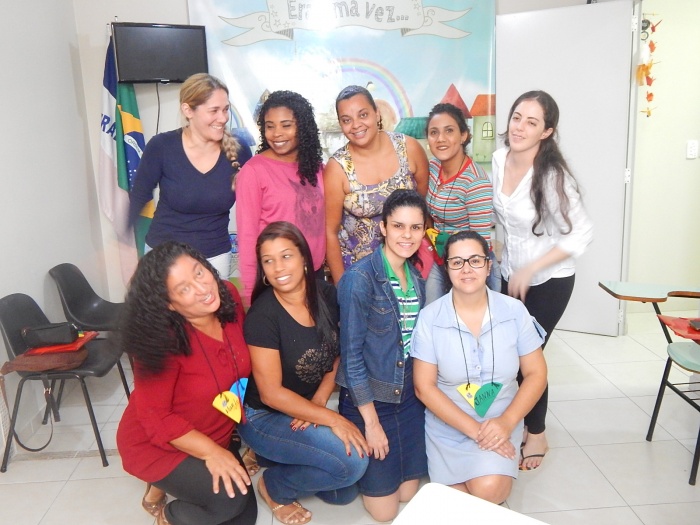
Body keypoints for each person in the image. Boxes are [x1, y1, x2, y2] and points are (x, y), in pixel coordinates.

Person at [116, 241, 257, 525]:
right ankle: (168, 516)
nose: (203, 289)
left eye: (199, 272)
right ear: (169, 303)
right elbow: (156, 418)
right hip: (157, 443)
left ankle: (168, 488)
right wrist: (212, 452)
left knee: (242, 519)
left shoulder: (227, 296)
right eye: (184, 289)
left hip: (213, 433)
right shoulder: (161, 342)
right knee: (229, 502)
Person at [237, 221, 369, 525]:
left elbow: (338, 352)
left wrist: (320, 401)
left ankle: (270, 457)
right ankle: (273, 486)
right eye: (268, 261)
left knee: (343, 492)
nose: (278, 267)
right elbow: (271, 394)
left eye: (286, 256)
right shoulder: (262, 316)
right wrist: (333, 419)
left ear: (304, 258)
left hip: (305, 406)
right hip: (264, 417)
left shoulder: (326, 294)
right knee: (353, 464)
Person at [491, 90, 593, 470]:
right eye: (517, 117)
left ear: (546, 131)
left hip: (549, 281)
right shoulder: (499, 159)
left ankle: (537, 433)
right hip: (509, 274)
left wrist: (531, 269)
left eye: (531, 122)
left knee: (527, 356)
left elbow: (581, 233)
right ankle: (517, 420)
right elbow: (503, 218)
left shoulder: (552, 177)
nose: (520, 127)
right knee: (510, 354)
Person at [412, 230, 547, 504]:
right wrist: (477, 432)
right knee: (458, 500)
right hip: (450, 425)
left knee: (487, 488)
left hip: (501, 420)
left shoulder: (514, 311)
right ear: (447, 269)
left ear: (488, 265)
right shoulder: (430, 318)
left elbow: (536, 374)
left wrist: (506, 423)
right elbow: (424, 387)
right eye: (457, 262)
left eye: (475, 260)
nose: (466, 269)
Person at [336, 189, 429, 522]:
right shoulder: (359, 279)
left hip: (407, 397)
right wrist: (371, 424)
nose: (407, 235)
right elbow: (351, 358)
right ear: (383, 228)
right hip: (370, 403)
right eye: (398, 226)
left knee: (409, 494)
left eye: (415, 227)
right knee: (384, 512)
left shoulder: (416, 277)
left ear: (423, 231)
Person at [128, 73, 252, 279]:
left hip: (215, 257)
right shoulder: (162, 146)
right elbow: (139, 196)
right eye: (214, 110)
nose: (223, 118)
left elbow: (256, 201)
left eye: (225, 109)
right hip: (164, 257)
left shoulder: (240, 150)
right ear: (188, 110)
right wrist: (121, 243)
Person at [324, 85, 429, 284]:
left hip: (408, 263)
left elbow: (422, 205)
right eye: (347, 120)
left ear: (377, 113)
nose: (356, 125)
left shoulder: (409, 149)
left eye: (363, 115)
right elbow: (330, 231)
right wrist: (342, 288)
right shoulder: (337, 168)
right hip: (360, 273)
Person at [235, 91, 325, 306]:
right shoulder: (253, 171)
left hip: (315, 275)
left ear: (303, 127)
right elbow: (247, 236)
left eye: (286, 125)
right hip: (276, 277)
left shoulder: (318, 168)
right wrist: (249, 294)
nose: (276, 134)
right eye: (270, 126)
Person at [424, 102, 498, 304]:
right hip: (442, 256)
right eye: (434, 132)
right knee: (431, 313)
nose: (441, 138)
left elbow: (479, 244)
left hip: (471, 264)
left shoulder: (475, 182)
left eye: (449, 131)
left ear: (463, 135)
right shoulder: (432, 168)